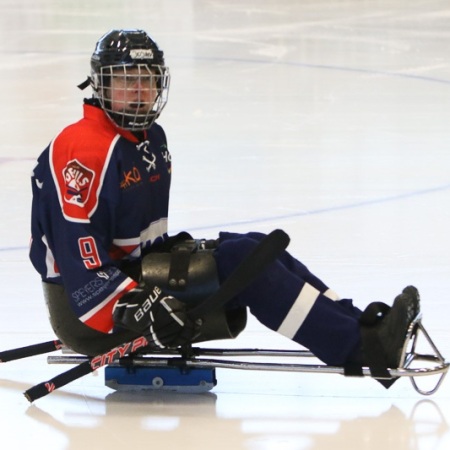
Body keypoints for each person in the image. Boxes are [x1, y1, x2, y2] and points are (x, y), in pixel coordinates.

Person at [29, 29, 420, 388]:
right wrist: (136, 305)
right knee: (241, 262)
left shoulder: (148, 137)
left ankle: (361, 328)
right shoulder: (83, 150)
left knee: (253, 246)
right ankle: (360, 349)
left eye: (146, 80)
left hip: (131, 276)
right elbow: (80, 264)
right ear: (101, 84)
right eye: (125, 80)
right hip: (89, 310)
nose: (138, 91)